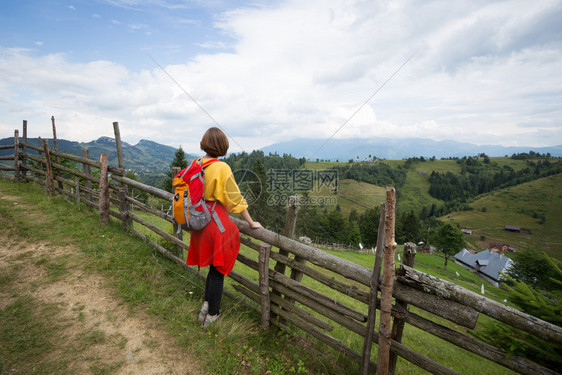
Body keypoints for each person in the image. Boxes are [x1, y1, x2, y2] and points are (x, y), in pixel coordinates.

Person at [185, 127, 262, 327]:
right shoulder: (221, 168)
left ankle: (205, 309)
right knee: (218, 270)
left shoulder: (196, 163)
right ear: (222, 146)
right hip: (215, 224)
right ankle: (212, 316)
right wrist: (251, 222)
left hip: (199, 223)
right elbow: (234, 199)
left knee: (212, 268)